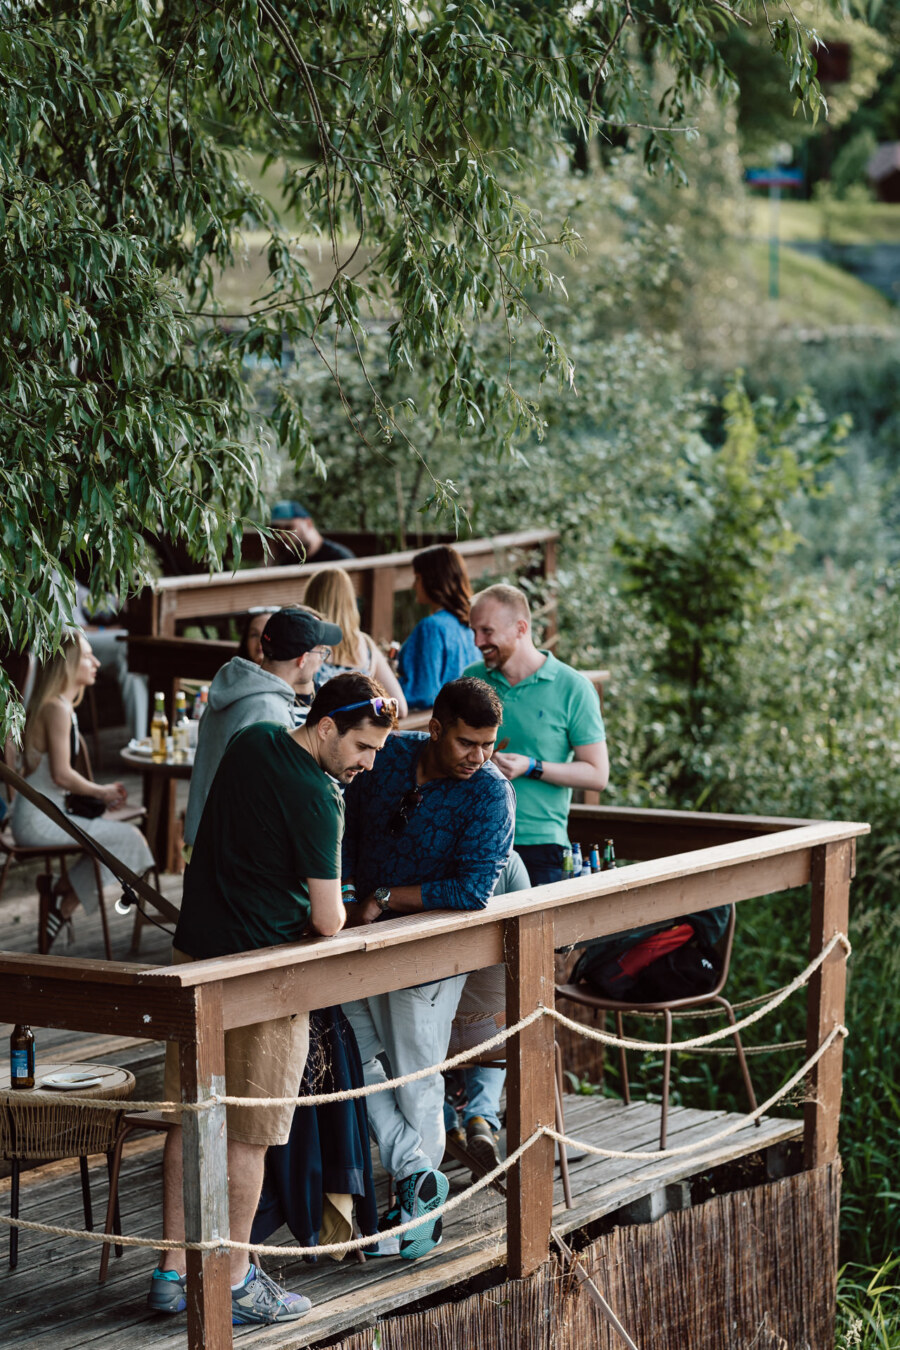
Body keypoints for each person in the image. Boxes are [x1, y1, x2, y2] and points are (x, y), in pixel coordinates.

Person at [149, 673, 396, 1325]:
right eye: (363, 748)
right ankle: (232, 1281)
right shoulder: (321, 797)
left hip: (193, 955)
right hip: (261, 977)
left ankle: (170, 1272)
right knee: (250, 1133)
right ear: (325, 728)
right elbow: (328, 919)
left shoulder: (252, 741)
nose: (367, 765)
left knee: (185, 1114)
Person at [340, 676, 514, 1260]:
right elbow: (348, 828)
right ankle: (419, 1186)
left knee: (416, 1076)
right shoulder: (389, 757)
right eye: (468, 742)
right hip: (355, 938)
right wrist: (339, 896)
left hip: (430, 953)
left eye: (489, 743)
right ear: (434, 727)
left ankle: (417, 1214)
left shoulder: (491, 792)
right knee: (361, 1058)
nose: (480, 757)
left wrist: (384, 898)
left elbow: (471, 889)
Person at [10, 631, 154, 947]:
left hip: (47, 813)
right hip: (40, 820)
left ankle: (60, 896)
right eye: (88, 656)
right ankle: (62, 901)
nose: (96, 662)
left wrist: (98, 795)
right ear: (68, 664)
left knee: (123, 843)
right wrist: (101, 792)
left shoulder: (58, 706)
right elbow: (61, 775)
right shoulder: (56, 709)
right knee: (129, 841)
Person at [466, 583, 609, 886]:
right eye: (474, 631)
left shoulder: (573, 687)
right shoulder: (470, 679)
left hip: (540, 843)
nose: (478, 641)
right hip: (471, 836)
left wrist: (531, 767)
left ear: (520, 628)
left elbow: (597, 774)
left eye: (487, 631)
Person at [183, 608, 341, 849]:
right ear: (301, 659)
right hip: (228, 856)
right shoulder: (269, 711)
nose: (322, 660)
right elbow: (276, 796)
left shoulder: (231, 688)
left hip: (204, 841)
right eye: (320, 652)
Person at [444, 848, 531, 1171]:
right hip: (495, 1031)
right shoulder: (507, 860)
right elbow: (532, 925)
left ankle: (443, 1121)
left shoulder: (418, 864)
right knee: (509, 1021)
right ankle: (482, 1116)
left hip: (431, 1033)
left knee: (378, 1050)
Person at [304, 567, 407, 716]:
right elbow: (400, 708)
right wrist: (362, 713)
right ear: (350, 602)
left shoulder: (310, 645)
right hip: (359, 733)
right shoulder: (366, 645)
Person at [398, 545, 479, 710]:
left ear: (432, 580)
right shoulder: (471, 623)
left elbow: (424, 692)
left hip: (436, 723)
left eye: (418, 578)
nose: (414, 586)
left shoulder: (431, 627)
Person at [270, 500, 355, 566]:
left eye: (288, 528)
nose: (281, 536)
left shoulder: (340, 558)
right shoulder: (287, 559)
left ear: (308, 523)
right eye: (276, 530)